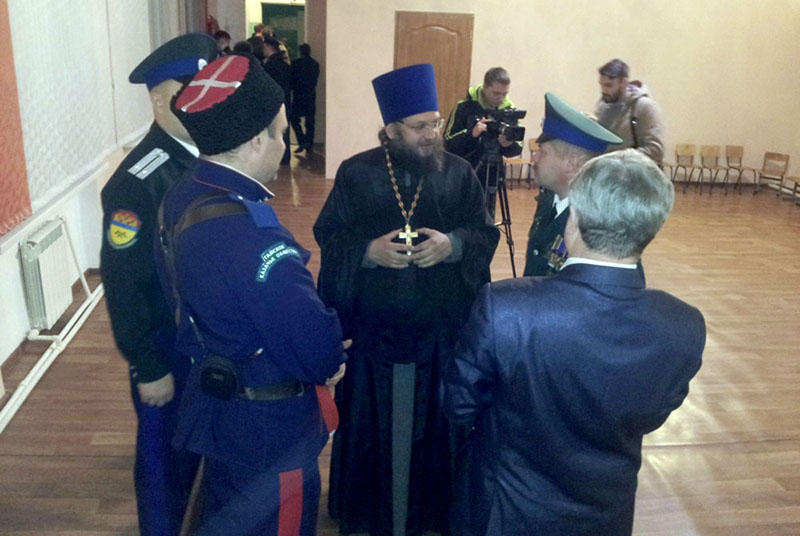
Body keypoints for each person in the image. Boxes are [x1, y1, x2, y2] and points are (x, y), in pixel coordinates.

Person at [443, 148, 706, 536]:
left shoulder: (506, 308)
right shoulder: (684, 325)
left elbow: (457, 405)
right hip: (605, 515)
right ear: (652, 227)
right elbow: (651, 415)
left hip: (508, 509)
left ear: (574, 219)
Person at [156, 53, 347, 535]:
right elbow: (314, 347)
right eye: (281, 134)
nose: (284, 145)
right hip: (269, 429)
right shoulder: (253, 236)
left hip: (220, 410)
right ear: (257, 140)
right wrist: (332, 354)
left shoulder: (183, 194)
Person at [313, 63, 500, 536]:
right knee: (372, 432)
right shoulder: (357, 173)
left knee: (436, 431)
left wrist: (453, 245)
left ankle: (433, 516)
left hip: (438, 337)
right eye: (419, 127)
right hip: (375, 337)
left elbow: (484, 233)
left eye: (435, 123)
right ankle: (366, 514)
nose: (432, 134)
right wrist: (367, 253)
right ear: (392, 129)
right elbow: (329, 235)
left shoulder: (459, 173)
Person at [99, 33, 217, 535]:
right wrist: (147, 365)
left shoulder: (205, 154)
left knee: (198, 451)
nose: (197, 104)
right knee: (163, 461)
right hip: (165, 347)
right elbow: (123, 283)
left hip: (203, 339)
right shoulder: (136, 182)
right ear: (157, 100)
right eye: (185, 94)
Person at [523, 92, 621, 277]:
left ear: (572, 163)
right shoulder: (550, 198)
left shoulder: (598, 225)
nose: (534, 158)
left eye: (542, 152)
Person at [443, 66, 523, 169]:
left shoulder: (510, 111)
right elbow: (447, 144)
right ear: (485, 87)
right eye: (496, 93)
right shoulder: (464, 107)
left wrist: (508, 145)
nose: (501, 99)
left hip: (495, 170)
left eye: (505, 94)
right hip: (466, 169)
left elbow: (517, 148)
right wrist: (471, 134)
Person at [595, 58, 665, 165]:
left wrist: (617, 159)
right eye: (602, 85)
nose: (603, 90)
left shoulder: (644, 107)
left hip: (634, 173)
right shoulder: (603, 106)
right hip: (606, 171)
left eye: (609, 85)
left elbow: (655, 151)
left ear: (623, 82)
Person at [262, 35, 292, 165]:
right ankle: (285, 156)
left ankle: (275, 157)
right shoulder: (285, 65)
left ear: (269, 47)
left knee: (272, 131)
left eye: (264, 46)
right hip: (285, 101)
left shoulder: (269, 66)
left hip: (273, 102)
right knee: (284, 130)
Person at [290, 43, 319, 155]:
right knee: (310, 121)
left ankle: (302, 140)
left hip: (298, 94)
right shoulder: (315, 64)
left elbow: (292, 79)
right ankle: (309, 143)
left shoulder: (296, 63)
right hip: (310, 95)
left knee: (294, 119)